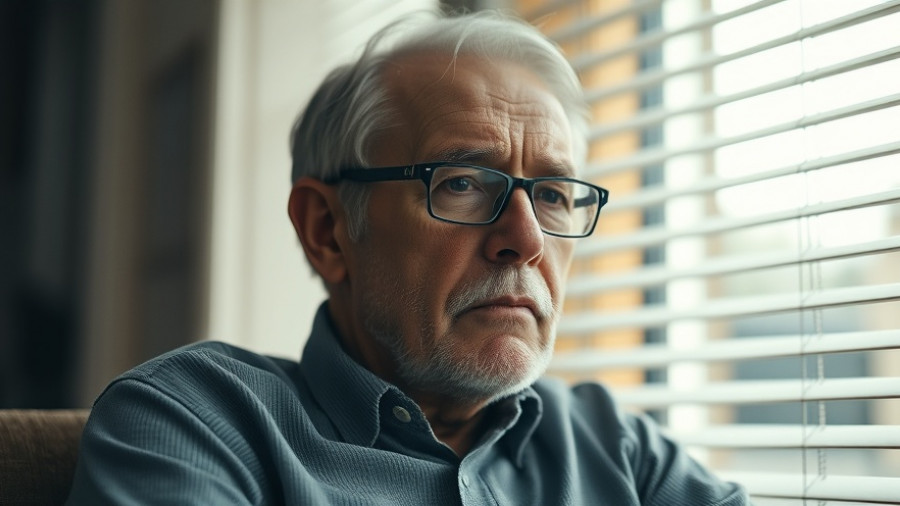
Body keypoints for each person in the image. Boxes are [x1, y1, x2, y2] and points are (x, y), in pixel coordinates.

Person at [67, 11, 748, 505]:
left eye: (554, 195)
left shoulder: (621, 453)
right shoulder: (195, 425)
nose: (528, 239)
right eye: (462, 183)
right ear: (328, 231)